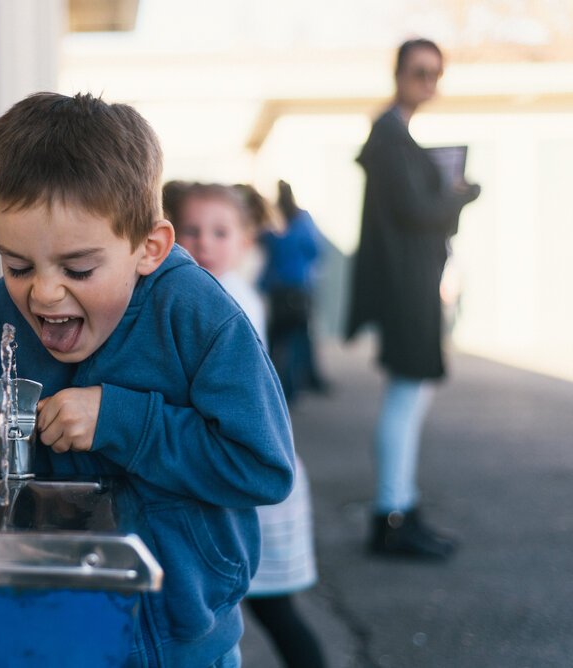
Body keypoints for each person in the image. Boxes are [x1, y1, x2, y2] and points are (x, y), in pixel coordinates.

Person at [0, 92, 295, 668]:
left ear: (149, 248)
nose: (43, 293)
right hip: (51, 619)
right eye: (17, 265)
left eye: (78, 269)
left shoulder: (198, 316)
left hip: (183, 633)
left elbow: (263, 468)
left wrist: (124, 421)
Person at [170, 181, 325, 668]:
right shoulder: (210, 292)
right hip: (235, 481)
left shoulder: (226, 300)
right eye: (191, 231)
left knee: (270, 610)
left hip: (253, 488)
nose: (204, 243)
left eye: (220, 232)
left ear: (246, 241)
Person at [345, 39, 481, 560]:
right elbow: (417, 211)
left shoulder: (393, 135)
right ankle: (391, 516)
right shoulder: (388, 137)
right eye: (420, 72)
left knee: (411, 397)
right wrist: (462, 194)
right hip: (406, 287)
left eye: (435, 74)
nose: (428, 83)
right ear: (399, 73)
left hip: (412, 283)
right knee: (406, 397)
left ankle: (400, 506)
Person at [259, 180, 330, 402]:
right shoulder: (303, 219)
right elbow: (315, 249)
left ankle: (277, 387)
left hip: (276, 287)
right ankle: (291, 389)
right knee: (297, 338)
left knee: (276, 339)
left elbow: (264, 244)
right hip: (299, 287)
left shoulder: (274, 221)